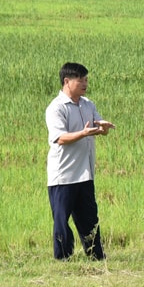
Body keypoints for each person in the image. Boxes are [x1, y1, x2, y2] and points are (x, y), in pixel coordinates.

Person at [45, 61, 114, 261]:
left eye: (86, 80)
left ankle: (96, 256)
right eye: (80, 80)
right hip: (63, 175)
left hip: (85, 172)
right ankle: (63, 258)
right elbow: (60, 138)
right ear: (67, 81)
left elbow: (96, 126)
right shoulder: (56, 108)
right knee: (61, 220)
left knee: (89, 219)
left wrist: (103, 128)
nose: (85, 84)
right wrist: (84, 133)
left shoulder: (87, 104)